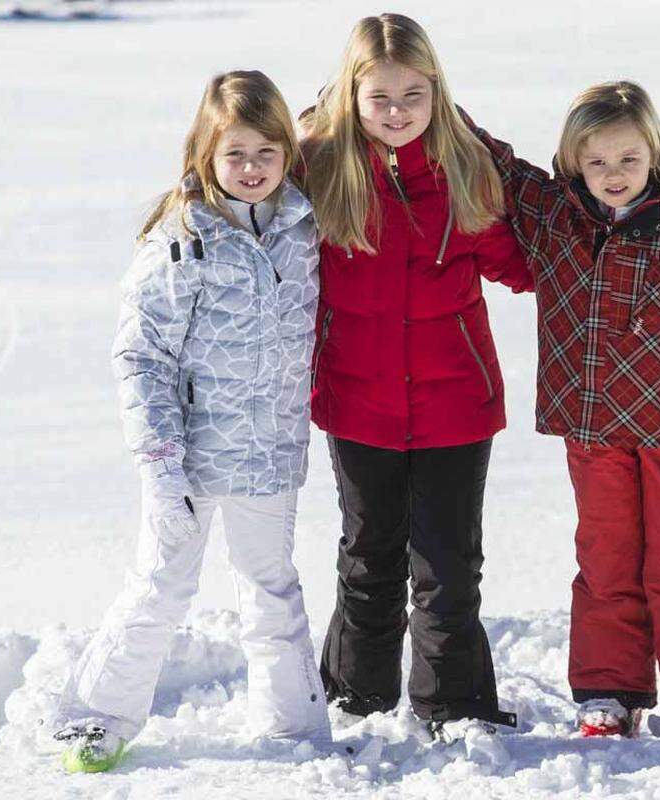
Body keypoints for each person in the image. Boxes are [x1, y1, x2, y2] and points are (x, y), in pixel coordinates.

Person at [48, 71, 330, 773]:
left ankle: (294, 728)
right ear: (205, 153)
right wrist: (158, 458)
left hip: (267, 453)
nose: (252, 168)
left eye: (267, 152)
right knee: (162, 584)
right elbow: (140, 356)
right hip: (188, 460)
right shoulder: (183, 239)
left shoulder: (304, 226)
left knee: (272, 590)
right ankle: (97, 718)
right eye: (235, 153)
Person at [465, 81, 660, 738]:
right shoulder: (554, 219)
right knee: (605, 559)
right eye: (596, 162)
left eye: (628, 159)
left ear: (654, 155)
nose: (613, 175)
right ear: (573, 164)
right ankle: (610, 690)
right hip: (593, 432)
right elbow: (495, 161)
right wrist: (415, 101)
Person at [300, 13, 532, 734]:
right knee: (368, 560)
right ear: (350, 96)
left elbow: (522, 266)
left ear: (437, 93)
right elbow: (241, 199)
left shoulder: (464, 171)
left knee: (448, 570)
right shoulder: (319, 170)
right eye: (379, 99)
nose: (396, 113)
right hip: (357, 400)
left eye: (412, 96)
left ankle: (454, 708)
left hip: (455, 403)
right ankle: (354, 701)